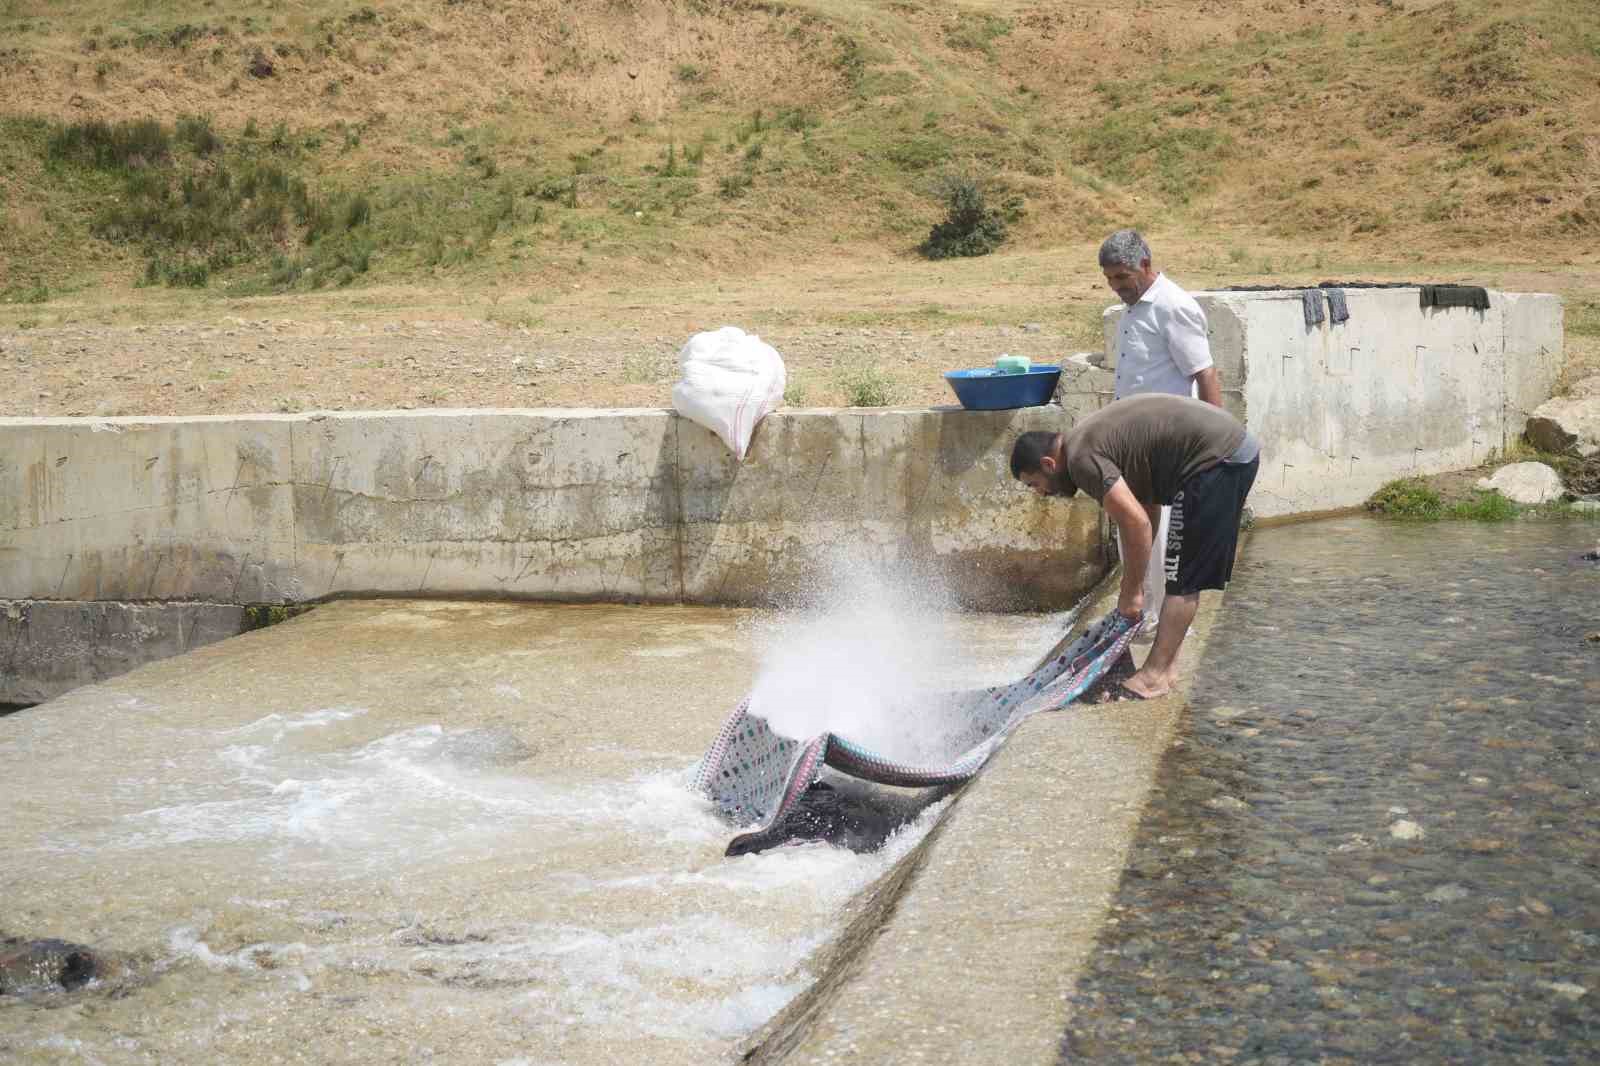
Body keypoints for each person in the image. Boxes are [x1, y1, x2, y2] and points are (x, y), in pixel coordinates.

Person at [1010, 394, 1260, 700]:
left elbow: (1136, 524)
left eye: (1034, 484)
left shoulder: (1080, 460)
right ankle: (1166, 669)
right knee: (1179, 571)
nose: (1041, 494)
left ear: (1048, 464)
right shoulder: (1087, 440)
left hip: (1216, 462)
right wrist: (1135, 583)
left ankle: (1154, 676)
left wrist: (1131, 594)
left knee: (1184, 577)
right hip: (1224, 454)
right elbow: (1146, 510)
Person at [1099, 229, 1221, 636]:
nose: (1116, 288)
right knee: (1132, 525)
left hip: (1161, 441)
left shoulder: (1173, 307)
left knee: (1153, 527)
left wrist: (1213, 444)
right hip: (1129, 438)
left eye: (1122, 277)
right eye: (1110, 279)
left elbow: (1204, 374)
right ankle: (1137, 611)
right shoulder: (1136, 308)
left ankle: (1149, 616)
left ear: (1145, 265)